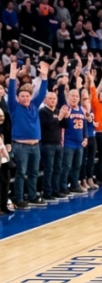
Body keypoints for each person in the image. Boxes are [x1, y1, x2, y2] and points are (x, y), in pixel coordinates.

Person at [9, 59, 49, 208]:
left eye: (27, 96)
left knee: (33, 173)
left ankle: (32, 196)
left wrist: (44, 76)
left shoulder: (34, 105)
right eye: (22, 96)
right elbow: (12, 89)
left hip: (35, 145)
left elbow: (43, 92)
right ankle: (19, 199)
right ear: (18, 98)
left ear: (31, 97)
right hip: (20, 146)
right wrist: (13, 75)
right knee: (21, 173)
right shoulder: (14, 107)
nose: (25, 98)